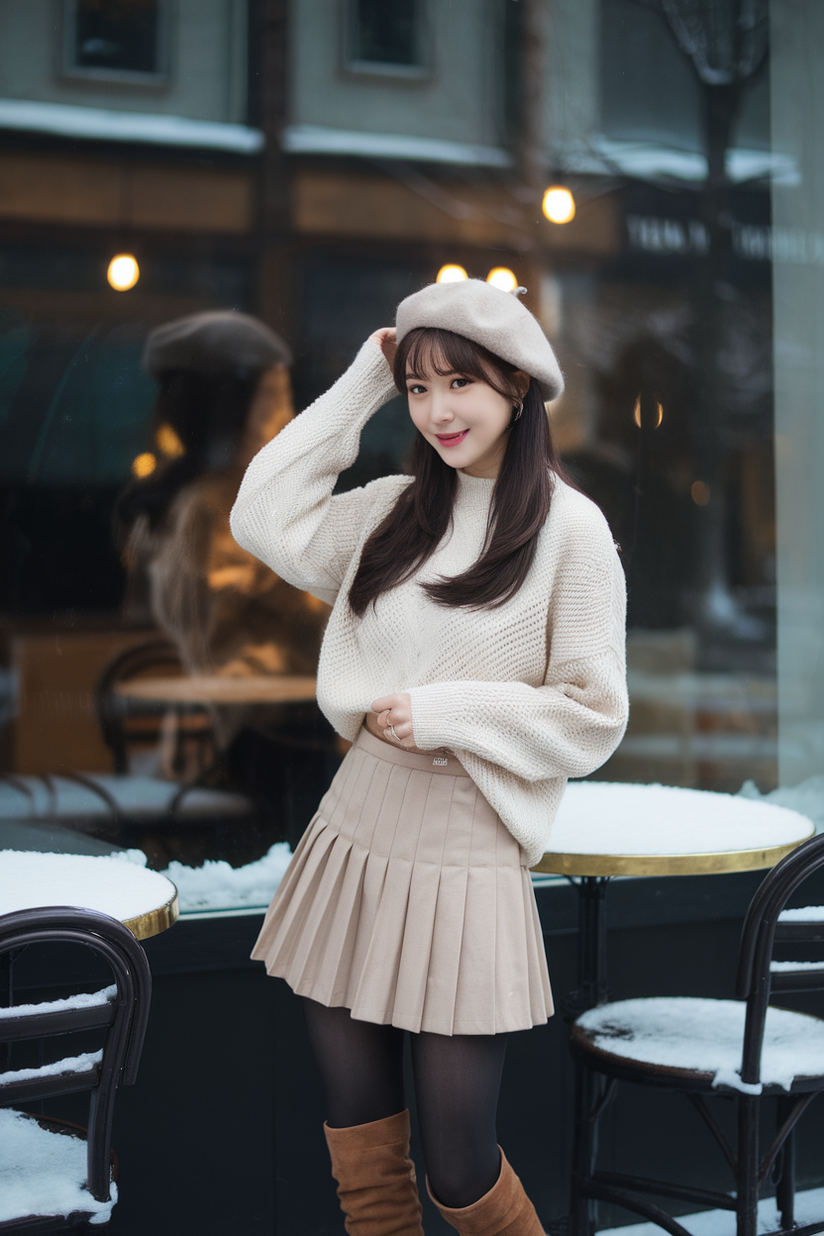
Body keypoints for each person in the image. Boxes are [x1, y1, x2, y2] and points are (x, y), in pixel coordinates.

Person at [230, 280, 629, 1236]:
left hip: (466, 849)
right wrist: (369, 375)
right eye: (419, 387)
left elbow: (593, 715)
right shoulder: (393, 512)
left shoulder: (572, 532)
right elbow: (262, 512)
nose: (438, 410)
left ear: (520, 387)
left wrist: (450, 709)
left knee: (458, 1169)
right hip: (357, 831)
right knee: (363, 1153)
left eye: (461, 382)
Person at [116, 310, 331, 841]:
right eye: (272, 400)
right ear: (228, 413)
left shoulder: (225, 499)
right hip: (252, 740)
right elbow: (279, 612)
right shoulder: (215, 508)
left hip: (262, 731)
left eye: (287, 397)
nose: (288, 415)